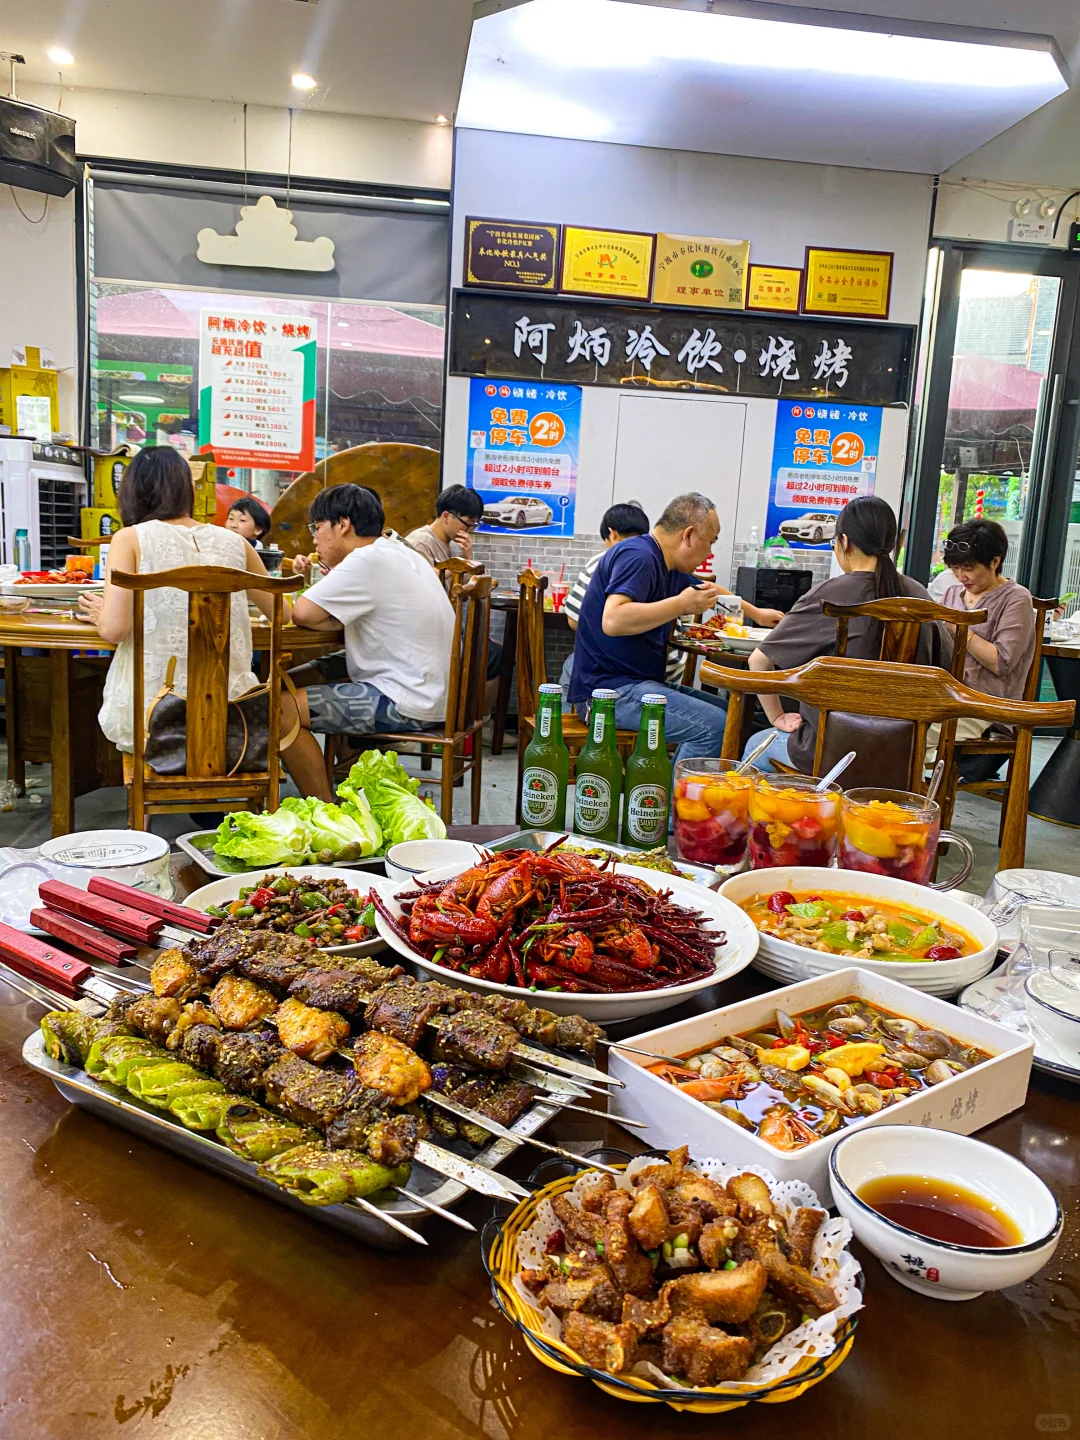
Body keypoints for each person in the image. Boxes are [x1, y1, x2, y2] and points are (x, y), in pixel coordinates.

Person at [78, 447, 304, 770]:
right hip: (234, 720)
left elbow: (114, 629)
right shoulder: (236, 542)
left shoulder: (129, 539)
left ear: (132, 492)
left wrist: (103, 612)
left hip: (152, 723)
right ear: (188, 490)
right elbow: (283, 613)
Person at [742, 495, 947, 772]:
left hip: (829, 753)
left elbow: (758, 661)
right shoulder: (920, 597)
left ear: (844, 542)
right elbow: (944, 671)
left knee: (756, 744)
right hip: (902, 759)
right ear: (896, 543)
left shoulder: (831, 595)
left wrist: (777, 716)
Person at [287, 483, 455, 800]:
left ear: (343, 524)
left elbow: (302, 613)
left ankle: (327, 809)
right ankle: (353, 786)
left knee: (281, 709)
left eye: (317, 526)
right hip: (431, 688)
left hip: (407, 698)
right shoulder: (403, 553)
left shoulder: (364, 560)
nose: (314, 538)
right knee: (292, 681)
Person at [567, 492, 734, 764]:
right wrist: (680, 605)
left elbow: (710, 590)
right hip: (607, 695)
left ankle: (672, 793)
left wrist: (757, 613)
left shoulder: (665, 564)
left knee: (727, 712)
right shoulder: (639, 556)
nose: (710, 552)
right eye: (711, 542)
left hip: (635, 684)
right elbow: (613, 620)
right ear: (689, 535)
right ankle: (669, 807)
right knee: (714, 725)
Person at [939, 518, 1035, 782]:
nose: (962, 576)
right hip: (949, 700)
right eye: (956, 568)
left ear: (995, 562)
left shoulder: (1016, 598)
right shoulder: (951, 594)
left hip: (986, 707)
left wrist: (960, 629)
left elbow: (1001, 662)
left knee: (911, 733)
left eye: (968, 568)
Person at [405, 484, 484, 567]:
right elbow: (425, 578)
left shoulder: (452, 546)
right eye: (468, 523)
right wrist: (461, 562)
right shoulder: (421, 543)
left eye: (474, 524)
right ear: (446, 517)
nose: (470, 530)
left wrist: (466, 558)